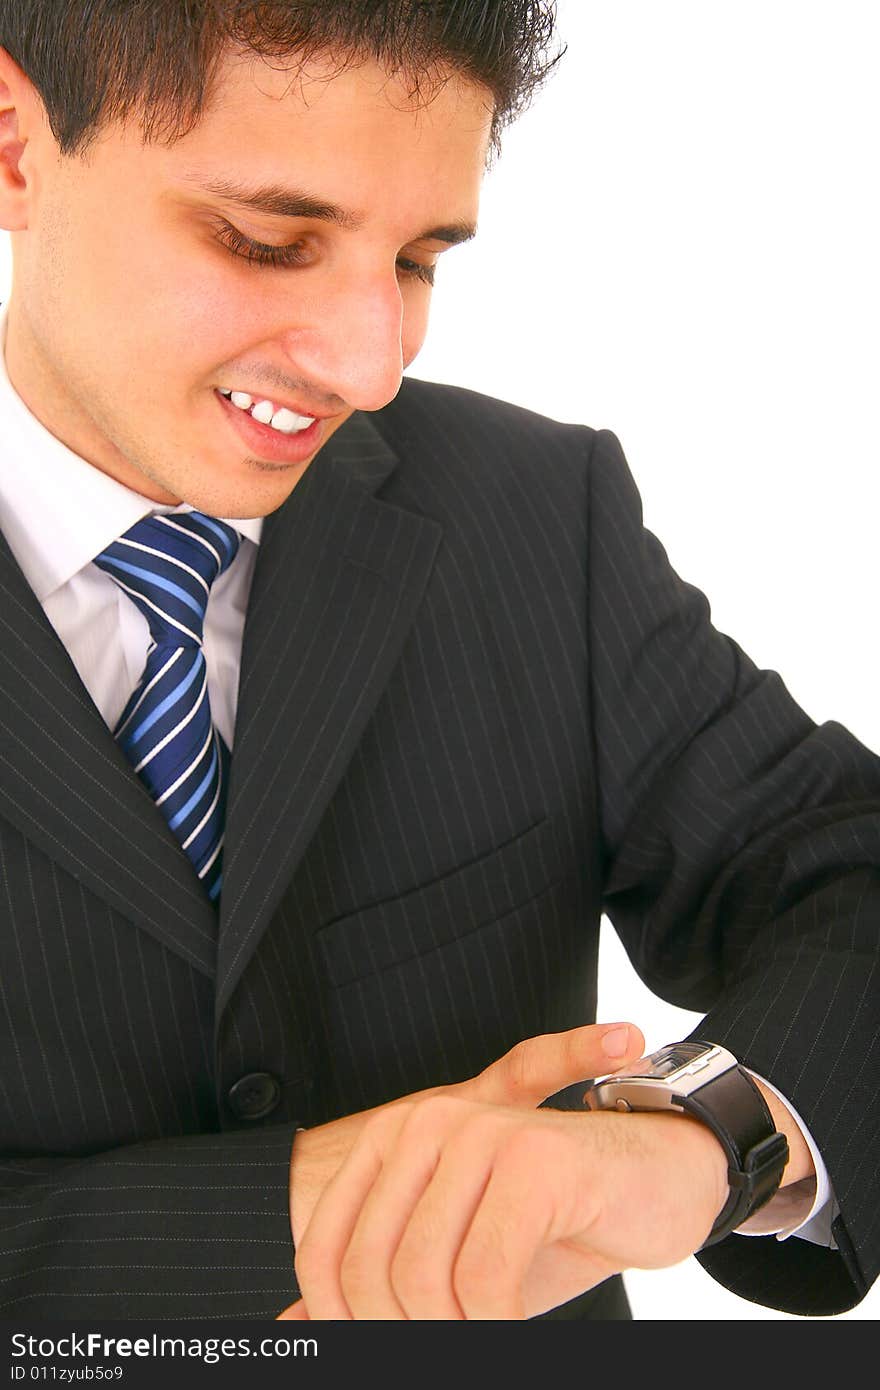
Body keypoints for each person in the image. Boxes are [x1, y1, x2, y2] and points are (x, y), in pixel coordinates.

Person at [0, 0, 877, 1323]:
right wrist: (293, 1210)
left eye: (416, 260)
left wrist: (701, 1138)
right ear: (14, 146)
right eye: (269, 241)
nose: (370, 363)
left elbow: (847, 868)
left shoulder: (532, 512)